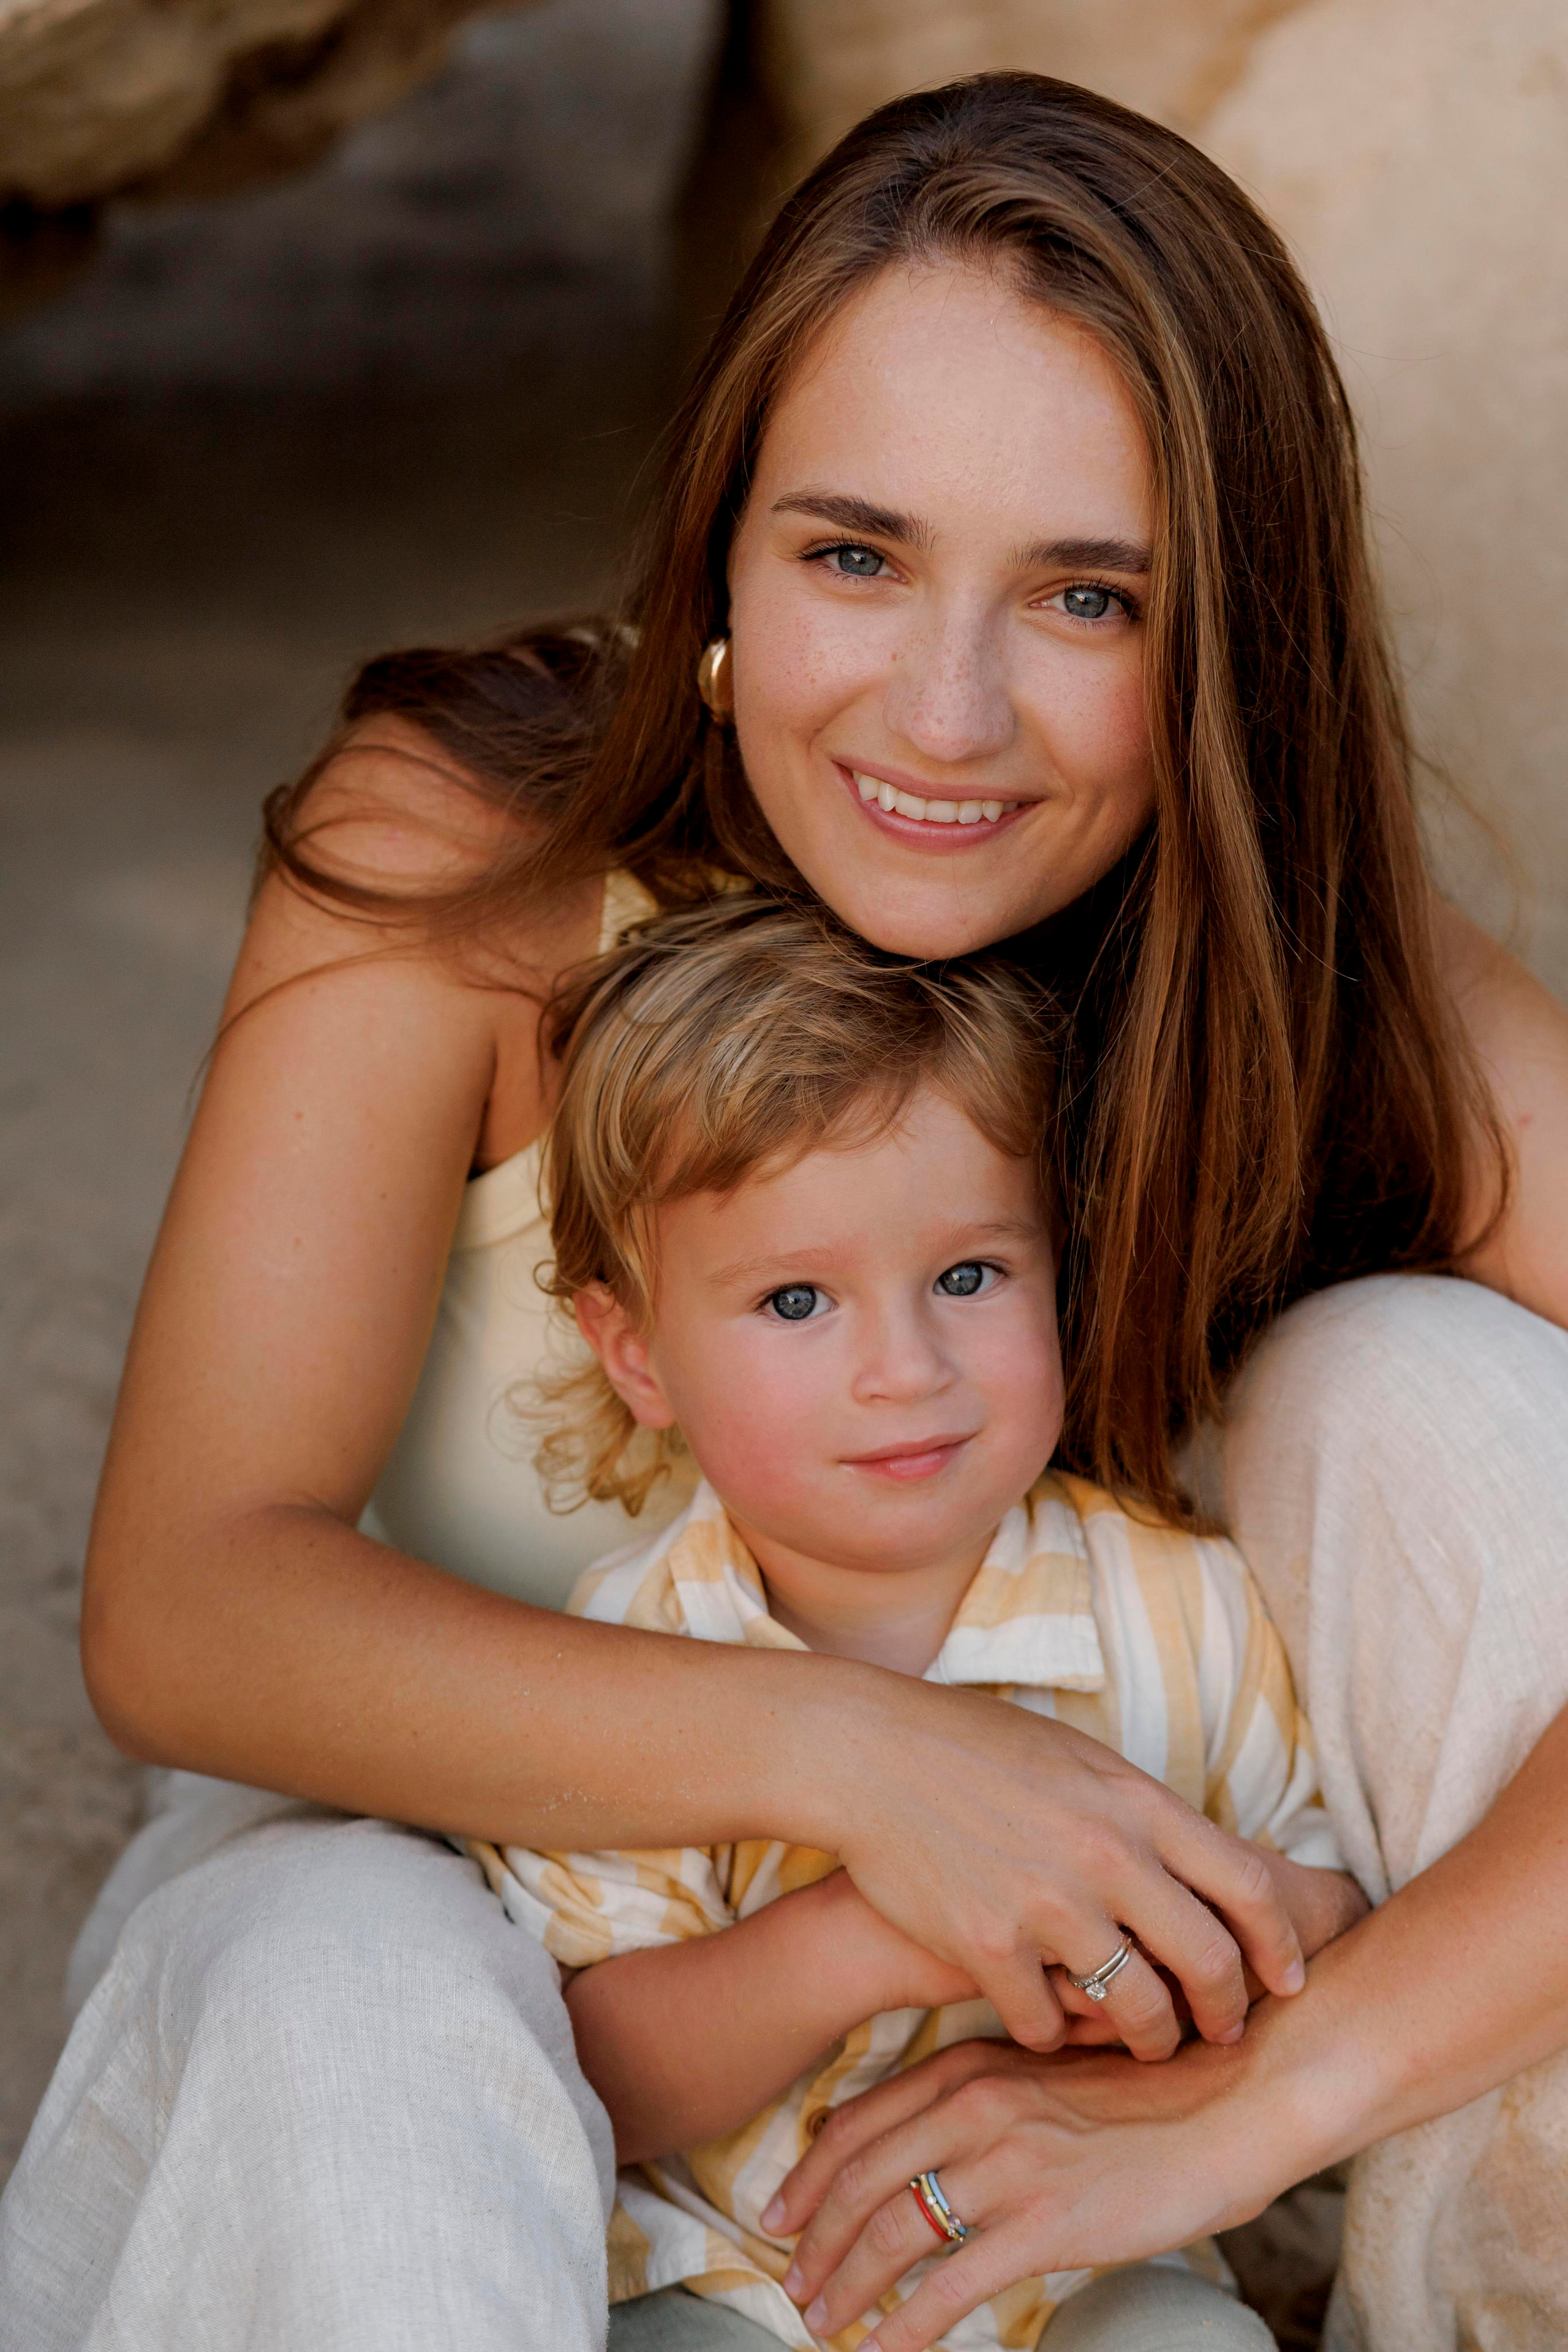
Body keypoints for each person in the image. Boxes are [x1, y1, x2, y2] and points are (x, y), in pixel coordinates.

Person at [2, 66, 1567, 2352]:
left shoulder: (1293, 945)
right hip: (422, 1879)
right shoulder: (469, 854)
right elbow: (184, 1610)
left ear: (1223, 644)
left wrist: (1264, 2099)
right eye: (855, 555)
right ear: (721, 557)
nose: (945, 711)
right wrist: (874, 1764)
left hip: (1041, 2030)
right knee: (352, 1975)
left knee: (1432, 1385)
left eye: (1088, 595)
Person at [471, 894, 1364, 2352]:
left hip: (1082, 2263)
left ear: (1055, 1265)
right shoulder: (632, 1650)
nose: (904, 1367)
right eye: (795, 1301)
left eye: (965, 1276)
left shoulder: (1181, 1610)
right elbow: (593, 2084)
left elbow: (1331, 1912)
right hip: (729, 2276)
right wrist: (872, 1935)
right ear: (635, 1354)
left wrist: (1210, 1931)